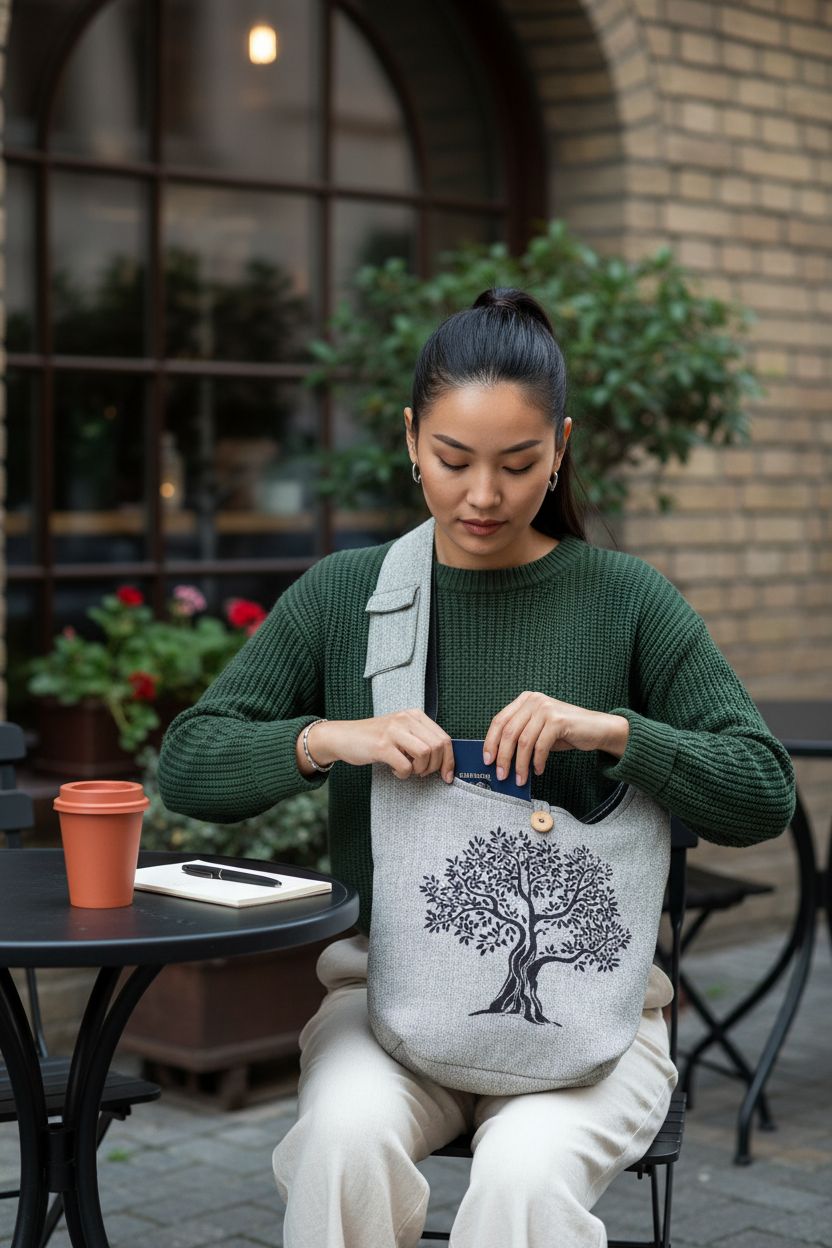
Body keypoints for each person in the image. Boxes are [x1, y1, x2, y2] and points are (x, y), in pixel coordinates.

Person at [158, 287, 796, 1248]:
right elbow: (189, 766)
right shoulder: (351, 595)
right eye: (454, 461)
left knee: (524, 1180)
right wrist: (331, 738)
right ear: (412, 439)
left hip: (591, 1022)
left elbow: (761, 792)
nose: (483, 496)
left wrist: (614, 731)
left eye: (519, 463)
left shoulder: (623, 601)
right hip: (382, 1002)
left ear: (562, 446)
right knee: (342, 1142)